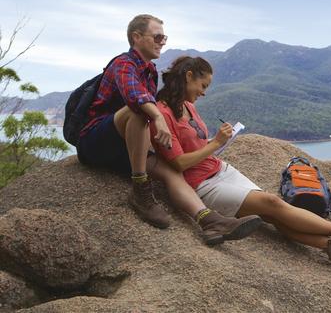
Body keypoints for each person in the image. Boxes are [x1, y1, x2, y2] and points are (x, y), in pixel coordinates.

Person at [151, 56, 331, 268]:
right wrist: (214, 144)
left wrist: (218, 141)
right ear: (189, 76)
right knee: (272, 203)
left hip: (220, 170)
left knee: (271, 214)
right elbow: (178, 163)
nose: (204, 93)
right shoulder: (162, 115)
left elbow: (198, 144)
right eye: (203, 86)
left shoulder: (187, 106)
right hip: (202, 185)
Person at [76, 14, 261, 244]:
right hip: (96, 142)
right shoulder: (123, 64)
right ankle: (140, 189)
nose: (162, 42)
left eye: (164, 38)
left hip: (126, 148)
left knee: (172, 172)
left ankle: (209, 221)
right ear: (136, 37)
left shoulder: (151, 71)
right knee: (139, 110)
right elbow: (136, 98)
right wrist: (157, 116)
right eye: (157, 37)